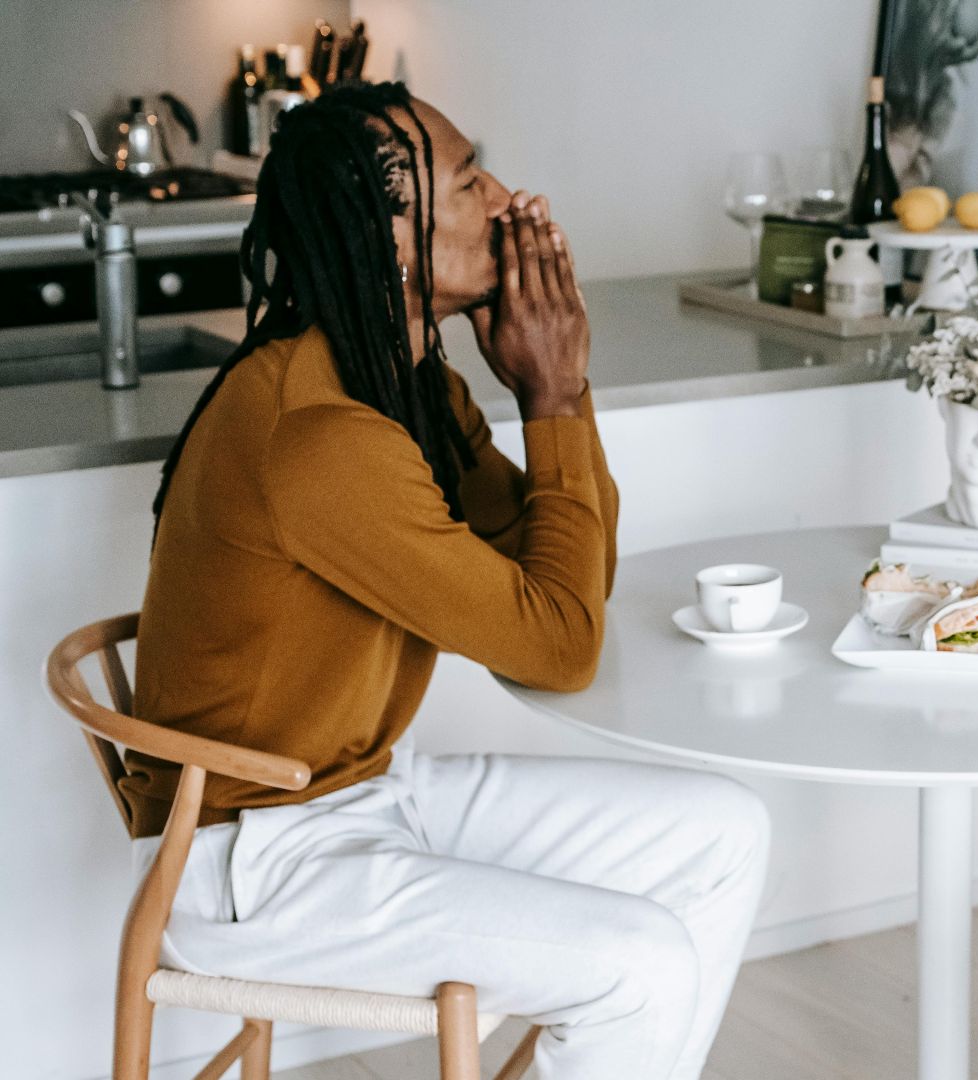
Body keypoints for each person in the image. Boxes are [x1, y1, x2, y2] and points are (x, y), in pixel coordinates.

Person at [122, 82, 768, 1080]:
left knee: (724, 829)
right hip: (249, 856)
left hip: (364, 794)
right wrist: (552, 396)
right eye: (469, 182)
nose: (509, 196)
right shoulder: (322, 438)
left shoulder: (407, 382)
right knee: (641, 966)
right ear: (392, 241)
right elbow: (564, 652)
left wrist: (560, 391)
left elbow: (570, 576)